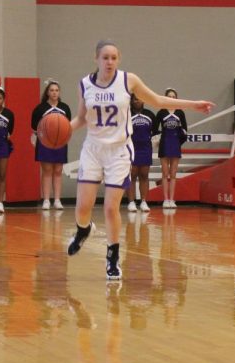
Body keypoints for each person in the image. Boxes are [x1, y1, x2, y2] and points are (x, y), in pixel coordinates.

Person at [67, 39, 214, 281]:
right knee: (83, 208)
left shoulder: (128, 80)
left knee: (110, 207)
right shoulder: (85, 84)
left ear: (119, 59)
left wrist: (192, 105)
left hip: (119, 151)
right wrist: (62, 131)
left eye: (114, 57)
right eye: (105, 57)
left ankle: (112, 258)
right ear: (96, 59)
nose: (110, 62)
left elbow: (157, 100)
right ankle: (84, 230)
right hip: (93, 149)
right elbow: (82, 118)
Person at [31, 79, 72, 210]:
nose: (54, 93)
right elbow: (34, 126)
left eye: (56, 90)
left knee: (58, 170)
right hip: (45, 142)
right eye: (51, 90)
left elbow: (68, 125)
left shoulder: (65, 107)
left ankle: (57, 200)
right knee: (47, 170)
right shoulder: (40, 108)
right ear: (47, 92)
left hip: (60, 142)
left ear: (59, 92)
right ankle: (46, 200)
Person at [154, 88, 188, 209]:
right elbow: (154, 129)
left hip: (175, 144)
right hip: (164, 144)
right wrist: (159, 138)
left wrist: (179, 140)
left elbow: (185, 130)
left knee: (173, 174)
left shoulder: (180, 112)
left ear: (176, 99)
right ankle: (165, 199)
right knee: (165, 173)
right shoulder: (161, 112)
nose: (172, 99)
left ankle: (172, 199)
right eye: (169, 96)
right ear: (166, 98)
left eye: (174, 97)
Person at [127, 94, 155, 212]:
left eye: (140, 98)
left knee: (144, 175)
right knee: (132, 175)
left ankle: (143, 202)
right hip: (131, 148)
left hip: (145, 148)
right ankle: (131, 202)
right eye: (135, 99)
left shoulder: (150, 114)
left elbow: (155, 132)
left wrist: (154, 141)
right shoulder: (127, 114)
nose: (138, 101)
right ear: (132, 101)